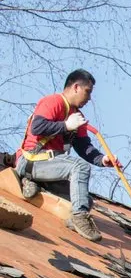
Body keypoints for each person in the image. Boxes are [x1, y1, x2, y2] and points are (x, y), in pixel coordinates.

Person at [14, 69, 116, 242]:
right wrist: (66, 126)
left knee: (85, 200)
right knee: (80, 167)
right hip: (32, 160)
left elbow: (84, 146)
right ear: (76, 87)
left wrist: (102, 159)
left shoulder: (77, 117)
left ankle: (35, 184)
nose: (89, 98)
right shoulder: (53, 101)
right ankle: (79, 217)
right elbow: (37, 127)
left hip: (50, 168)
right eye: (88, 92)